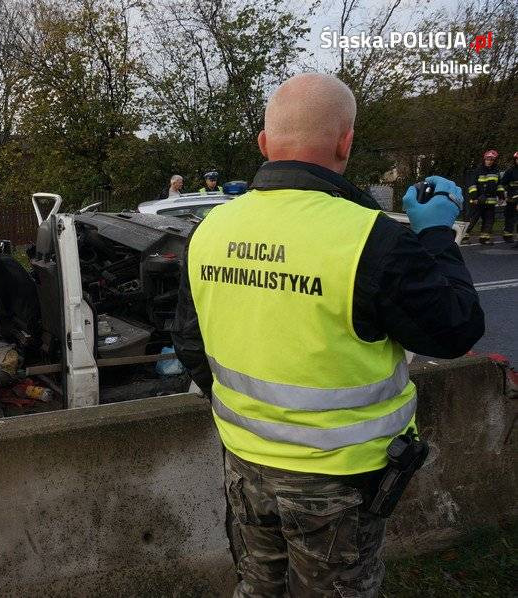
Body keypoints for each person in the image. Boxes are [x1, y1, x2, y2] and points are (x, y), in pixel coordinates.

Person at [171, 73, 484, 597]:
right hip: (339, 482)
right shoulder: (375, 239)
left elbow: (189, 343)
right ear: (346, 141)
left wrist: (251, 419)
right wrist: (435, 235)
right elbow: (455, 331)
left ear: (265, 144)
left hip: (245, 464)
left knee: (257, 588)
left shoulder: (209, 230)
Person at [464, 150, 506, 244]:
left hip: (490, 201)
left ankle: (484, 238)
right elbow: (472, 185)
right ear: (484, 159)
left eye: (491, 160)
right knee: (472, 219)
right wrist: (474, 198)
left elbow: (499, 185)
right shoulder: (478, 171)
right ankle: (463, 237)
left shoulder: (496, 172)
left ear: (494, 161)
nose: (489, 161)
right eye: (488, 159)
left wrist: (501, 196)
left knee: (489, 220)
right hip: (478, 200)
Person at [499, 151, 518, 246]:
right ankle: (508, 236)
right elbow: (502, 184)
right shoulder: (510, 171)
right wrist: (503, 195)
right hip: (512, 199)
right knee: (509, 217)